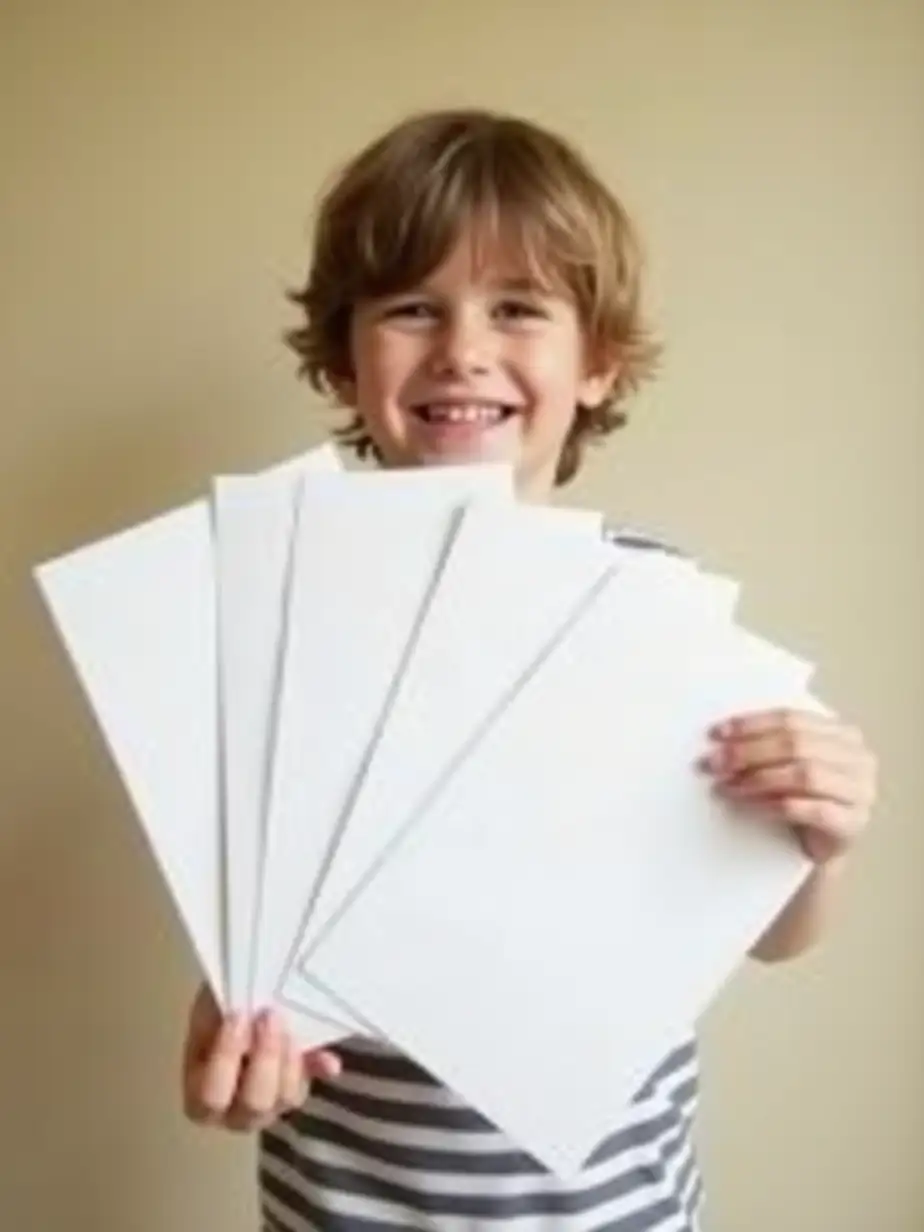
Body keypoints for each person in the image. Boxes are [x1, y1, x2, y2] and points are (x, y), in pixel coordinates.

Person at [181, 108, 879, 1231]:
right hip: (346, 1207)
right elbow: (246, 929)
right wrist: (226, 1033)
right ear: (346, 358)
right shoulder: (284, 618)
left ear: (596, 362)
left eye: (517, 308)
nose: (462, 348)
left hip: (613, 1211)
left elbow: (768, 928)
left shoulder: (659, 604)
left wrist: (818, 843)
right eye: (412, 307)